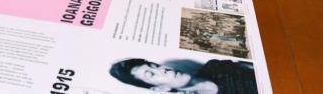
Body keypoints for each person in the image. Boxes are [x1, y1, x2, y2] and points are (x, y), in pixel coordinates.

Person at [109, 58, 258, 94]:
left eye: (155, 66)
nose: (163, 70)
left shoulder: (216, 66)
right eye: (151, 74)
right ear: (161, 88)